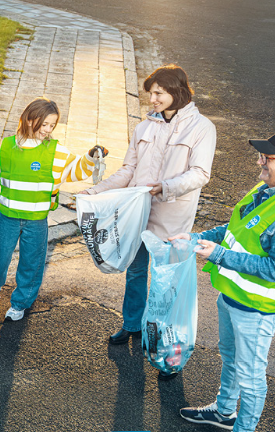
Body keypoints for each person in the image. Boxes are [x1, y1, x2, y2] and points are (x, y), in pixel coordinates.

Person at [78, 64, 216, 360]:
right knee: (136, 271)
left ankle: (166, 339)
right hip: (137, 215)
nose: (152, 99)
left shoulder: (202, 127)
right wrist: (94, 192)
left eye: (158, 93)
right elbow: (128, 170)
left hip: (172, 219)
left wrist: (164, 186)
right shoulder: (143, 126)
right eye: (151, 93)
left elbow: (200, 174)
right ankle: (132, 324)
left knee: (167, 283)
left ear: (177, 92)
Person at [171, 130, 275, 432]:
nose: (259, 162)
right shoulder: (267, 189)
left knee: (251, 375)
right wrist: (198, 238)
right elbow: (236, 228)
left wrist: (219, 256)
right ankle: (224, 411)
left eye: (267, 157)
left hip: (256, 307)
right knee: (230, 356)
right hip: (232, 295)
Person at [0, 97, 106, 321]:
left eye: (52, 125)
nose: (48, 130)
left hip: (36, 221)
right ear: (29, 119)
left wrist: (91, 156)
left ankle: (20, 303)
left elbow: (76, 169)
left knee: (31, 263)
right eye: (44, 124)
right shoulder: (8, 145)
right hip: (8, 218)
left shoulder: (56, 151)